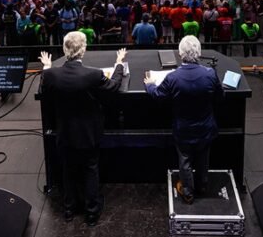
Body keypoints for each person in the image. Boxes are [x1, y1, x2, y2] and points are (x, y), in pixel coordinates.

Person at [39, 34, 127, 226]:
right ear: (83, 50)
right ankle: (92, 213)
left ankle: (69, 210)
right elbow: (113, 86)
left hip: (65, 133)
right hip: (88, 133)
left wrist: (47, 66)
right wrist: (119, 63)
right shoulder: (93, 75)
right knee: (90, 169)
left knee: (68, 170)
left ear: (64, 50)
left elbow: (45, 86)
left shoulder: (50, 75)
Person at [143, 36, 224, 204]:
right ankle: (202, 185)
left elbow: (158, 95)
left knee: (185, 159)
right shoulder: (210, 74)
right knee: (203, 157)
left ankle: (188, 192)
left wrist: (150, 84)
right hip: (205, 127)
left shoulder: (173, 77)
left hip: (183, 129)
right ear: (199, 53)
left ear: (180, 54)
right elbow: (220, 96)